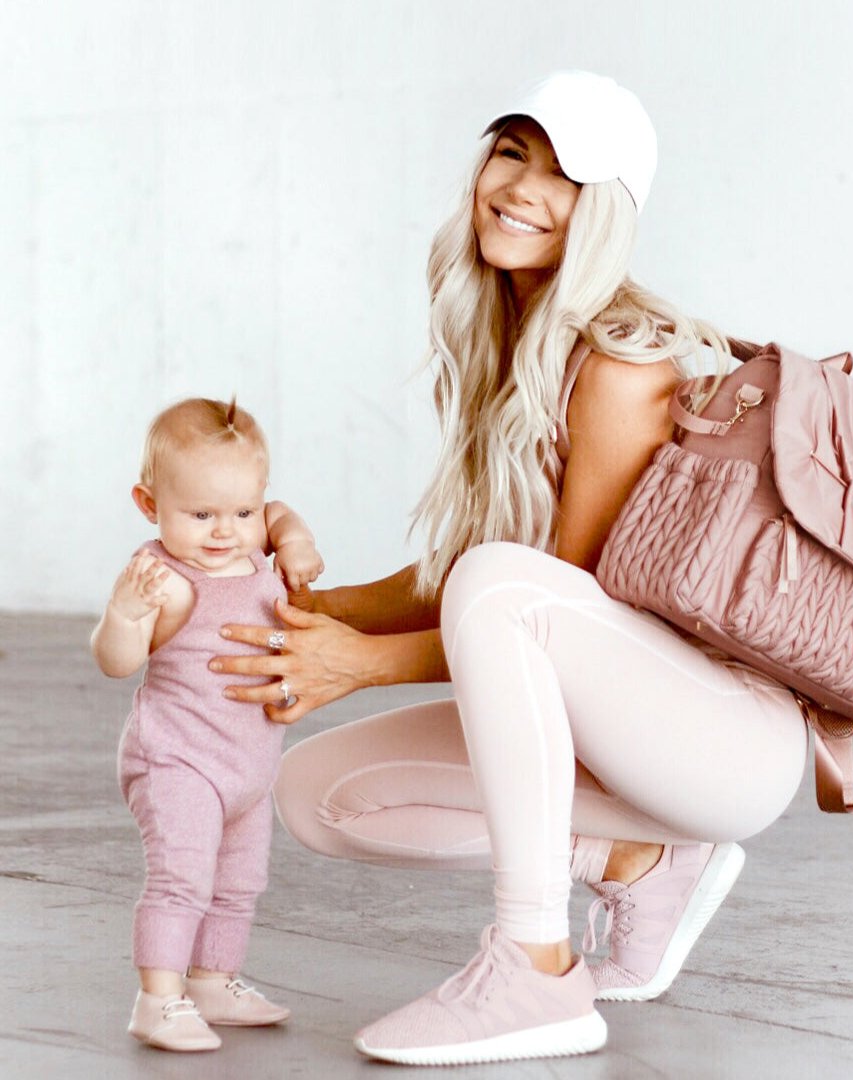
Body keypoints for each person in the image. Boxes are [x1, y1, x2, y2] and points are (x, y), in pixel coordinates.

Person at [211, 70, 808, 1066]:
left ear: (607, 212)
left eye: (566, 175)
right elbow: (478, 577)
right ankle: (636, 855)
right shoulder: (518, 346)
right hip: (628, 731)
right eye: (511, 151)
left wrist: (357, 665)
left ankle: (534, 969)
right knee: (316, 791)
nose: (524, 186)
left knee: (500, 586)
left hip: (725, 737)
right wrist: (302, 609)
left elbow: (540, 605)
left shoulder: (625, 364)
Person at [90, 397, 324, 1052]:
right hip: (178, 761)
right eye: (200, 515)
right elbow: (116, 663)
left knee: (240, 879)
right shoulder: (162, 579)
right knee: (183, 876)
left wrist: (296, 540)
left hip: (248, 767)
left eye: (241, 512)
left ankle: (213, 979)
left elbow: (279, 516)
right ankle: (158, 999)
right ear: (148, 504)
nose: (226, 531)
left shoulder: (259, 539)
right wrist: (124, 613)